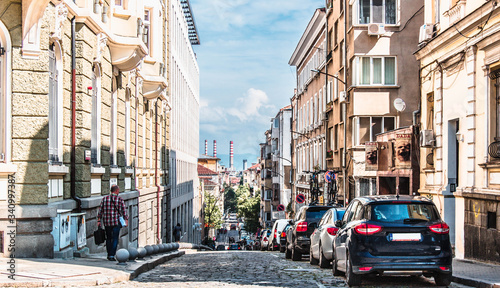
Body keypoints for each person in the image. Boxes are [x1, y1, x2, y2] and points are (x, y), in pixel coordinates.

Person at [97, 185, 128, 261]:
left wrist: (98, 220)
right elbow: (124, 211)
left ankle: (108, 254)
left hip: (107, 222)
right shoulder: (119, 199)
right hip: (116, 222)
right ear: (116, 191)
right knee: (115, 239)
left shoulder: (105, 199)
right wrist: (126, 220)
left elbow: (100, 211)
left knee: (108, 238)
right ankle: (111, 255)